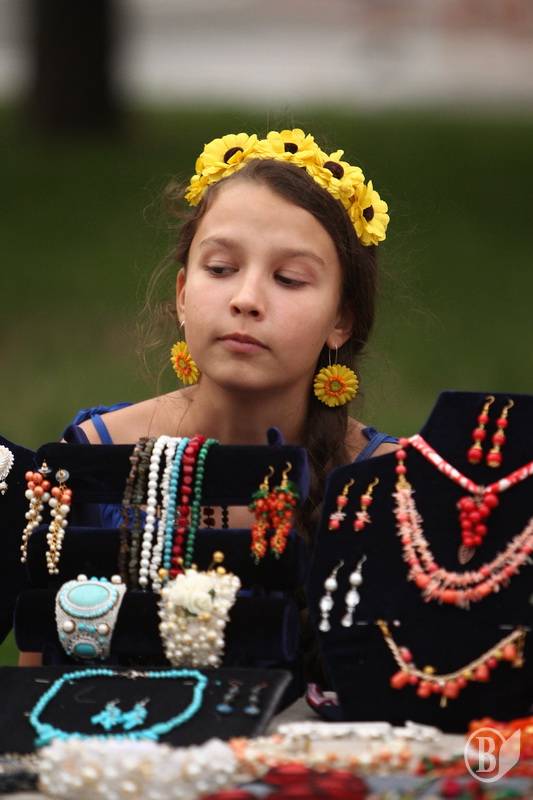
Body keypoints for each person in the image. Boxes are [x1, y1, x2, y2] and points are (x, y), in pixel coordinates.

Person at [20, 129, 398, 692]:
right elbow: (32, 693)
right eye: (220, 269)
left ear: (341, 319)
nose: (246, 299)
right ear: (181, 294)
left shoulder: (388, 485)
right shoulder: (95, 456)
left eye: (289, 279)